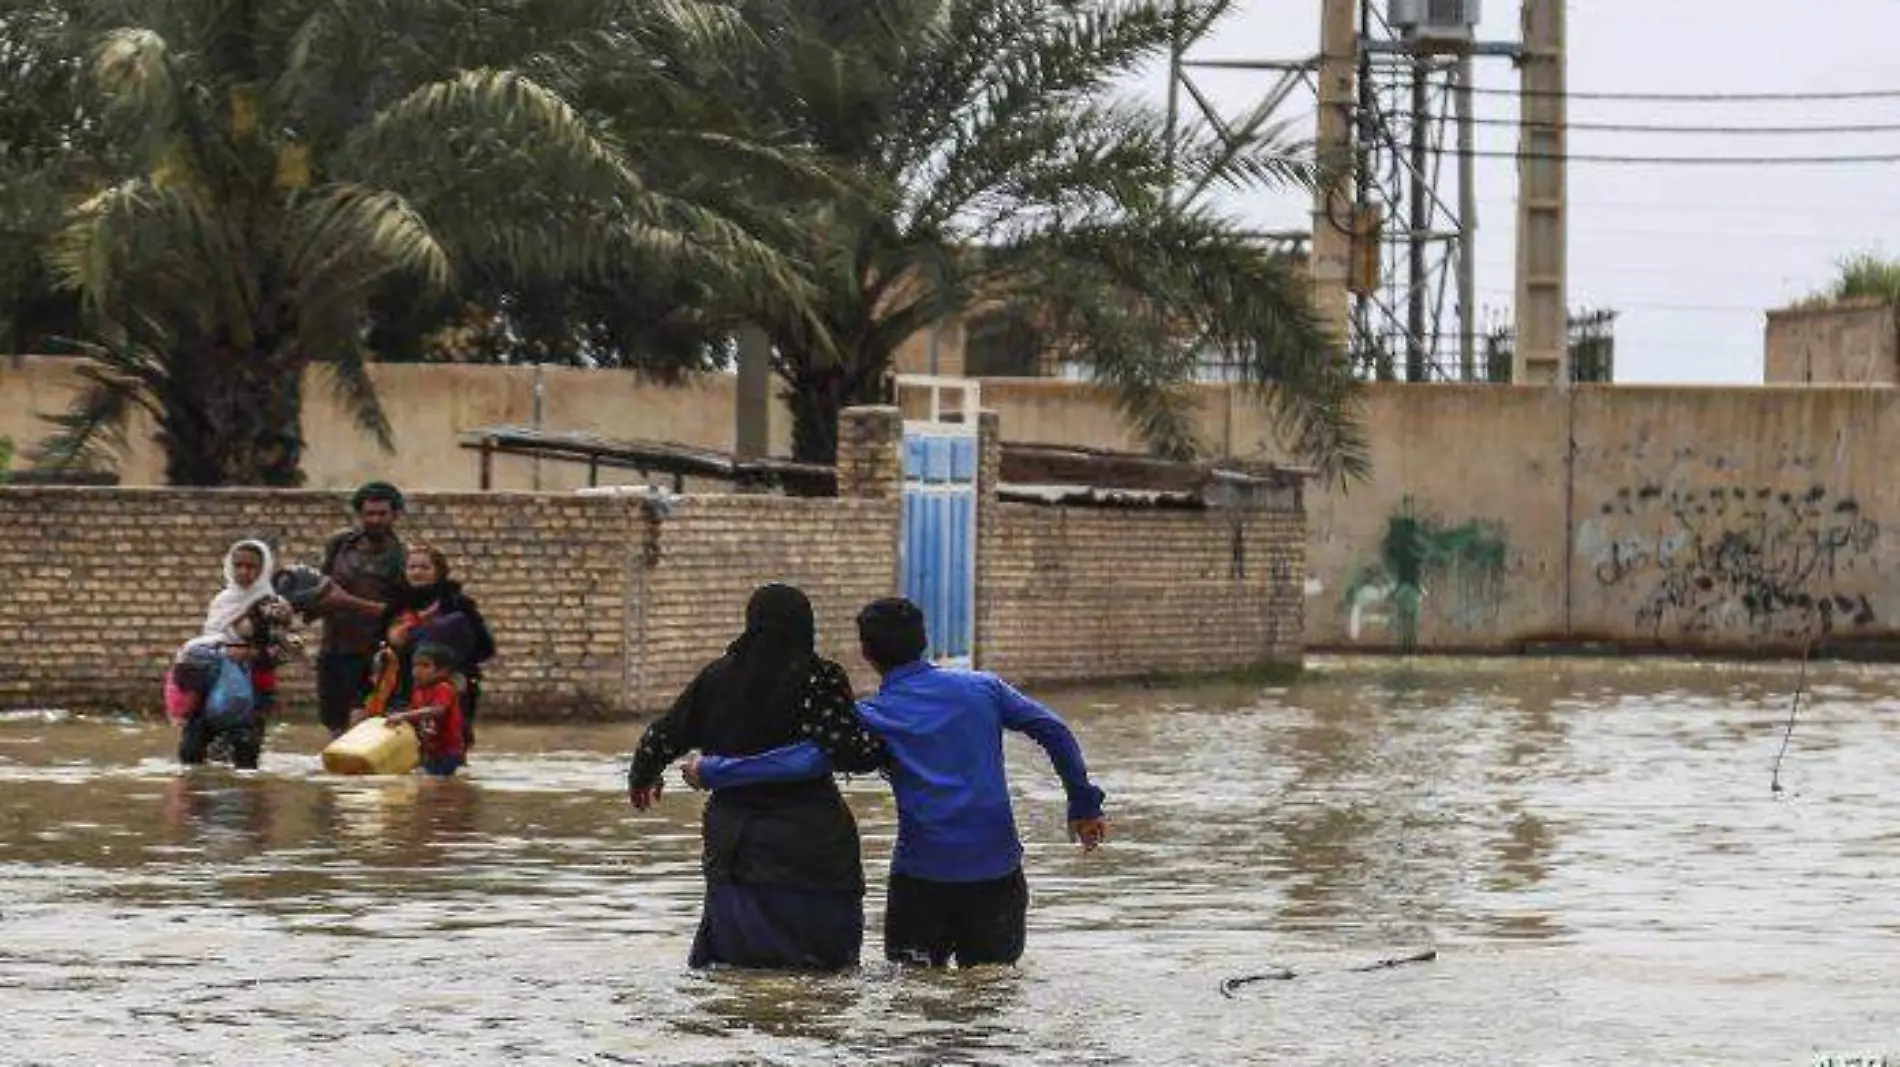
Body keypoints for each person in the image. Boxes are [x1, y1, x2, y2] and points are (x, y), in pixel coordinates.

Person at [693, 596, 1108, 969]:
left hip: (922, 882)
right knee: (991, 992)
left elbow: (802, 761)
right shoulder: (983, 689)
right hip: (997, 875)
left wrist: (712, 770)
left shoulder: (873, 715)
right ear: (924, 641)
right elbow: (1054, 730)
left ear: (867, 653)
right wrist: (1083, 805)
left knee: (912, 998)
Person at [626, 584, 890, 971]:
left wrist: (642, 776)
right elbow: (853, 752)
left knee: (736, 969)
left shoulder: (717, 679)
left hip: (736, 844)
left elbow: (662, 736)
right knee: (824, 975)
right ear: (806, 627)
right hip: (810, 842)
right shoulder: (820, 678)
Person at [172, 539, 299, 769]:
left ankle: (248, 801)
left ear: (263, 570)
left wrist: (251, 653)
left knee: (244, 755)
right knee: (191, 752)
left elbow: (289, 648)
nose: (244, 572)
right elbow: (209, 638)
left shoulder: (274, 606)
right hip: (211, 681)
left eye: (251, 567)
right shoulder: (222, 600)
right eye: (238, 565)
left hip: (253, 687)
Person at [315, 481, 409, 739]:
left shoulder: (402, 558)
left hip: (375, 656)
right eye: (369, 514)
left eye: (382, 514)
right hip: (334, 650)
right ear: (360, 515)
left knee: (365, 726)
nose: (375, 520)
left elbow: (401, 614)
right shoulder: (340, 546)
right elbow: (321, 588)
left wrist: (347, 602)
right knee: (333, 726)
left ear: (395, 515)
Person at [381, 542, 495, 750]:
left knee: (450, 744)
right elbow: (380, 647)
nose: (417, 573)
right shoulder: (395, 606)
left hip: (451, 686)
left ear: (438, 571)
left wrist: (450, 665)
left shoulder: (457, 605)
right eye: (412, 567)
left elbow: (484, 647)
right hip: (404, 687)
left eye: (425, 567)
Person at [382, 642, 468, 777]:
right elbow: (414, 714)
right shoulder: (419, 691)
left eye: (425, 666)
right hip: (428, 750)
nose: (418, 670)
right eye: (415, 665)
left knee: (436, 784)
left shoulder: (444, 688)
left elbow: (438, 710)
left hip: (447, 753)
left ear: (442, 671)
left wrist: (403, 716)